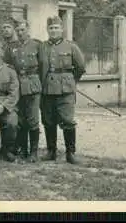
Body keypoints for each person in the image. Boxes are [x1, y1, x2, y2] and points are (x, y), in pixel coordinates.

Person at [39, 16, 86, 164]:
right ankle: (51, 151)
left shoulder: (71, 46)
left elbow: (80, 67)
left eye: (56, 28)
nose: (54, 31)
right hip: (47, 89)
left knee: (67, 120)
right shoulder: (43, 47)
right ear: (47, 30)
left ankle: (70, 153)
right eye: (51, 28)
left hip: (65, 90)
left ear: (62, 29)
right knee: (48, 120)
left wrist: (71, 81)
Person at [5, 19, 43, 163]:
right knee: (20, 120)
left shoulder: (37, 45)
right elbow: (8, 67)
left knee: (33, 119)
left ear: (28, 29)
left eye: (23, 30)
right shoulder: (11, 47)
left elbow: (43, 66)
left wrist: (41, 86)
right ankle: (22, 150)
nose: (20, 33)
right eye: (18, 30)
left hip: (33, 85)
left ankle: (33, 152)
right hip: (17, 86)